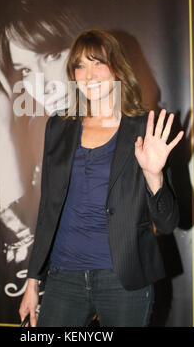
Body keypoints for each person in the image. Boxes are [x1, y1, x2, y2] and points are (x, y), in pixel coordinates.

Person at [19, 29, 183, 327]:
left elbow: (168, 223)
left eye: (98, 63)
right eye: (80, 66)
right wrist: (33, 280)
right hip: (63, 277)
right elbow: (48, 209)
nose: (88, 74)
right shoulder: (59, 126)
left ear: (117, 68)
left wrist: (153, 174)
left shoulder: (144, 129)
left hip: (123, 281)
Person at [0, 0, 82, 266]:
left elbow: (37, 256)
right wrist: (2, 138)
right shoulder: (42, 141)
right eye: (25, 70)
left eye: (53, 56)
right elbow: (17, 269)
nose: (42, 83)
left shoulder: (120, 135)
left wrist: (1, 141)